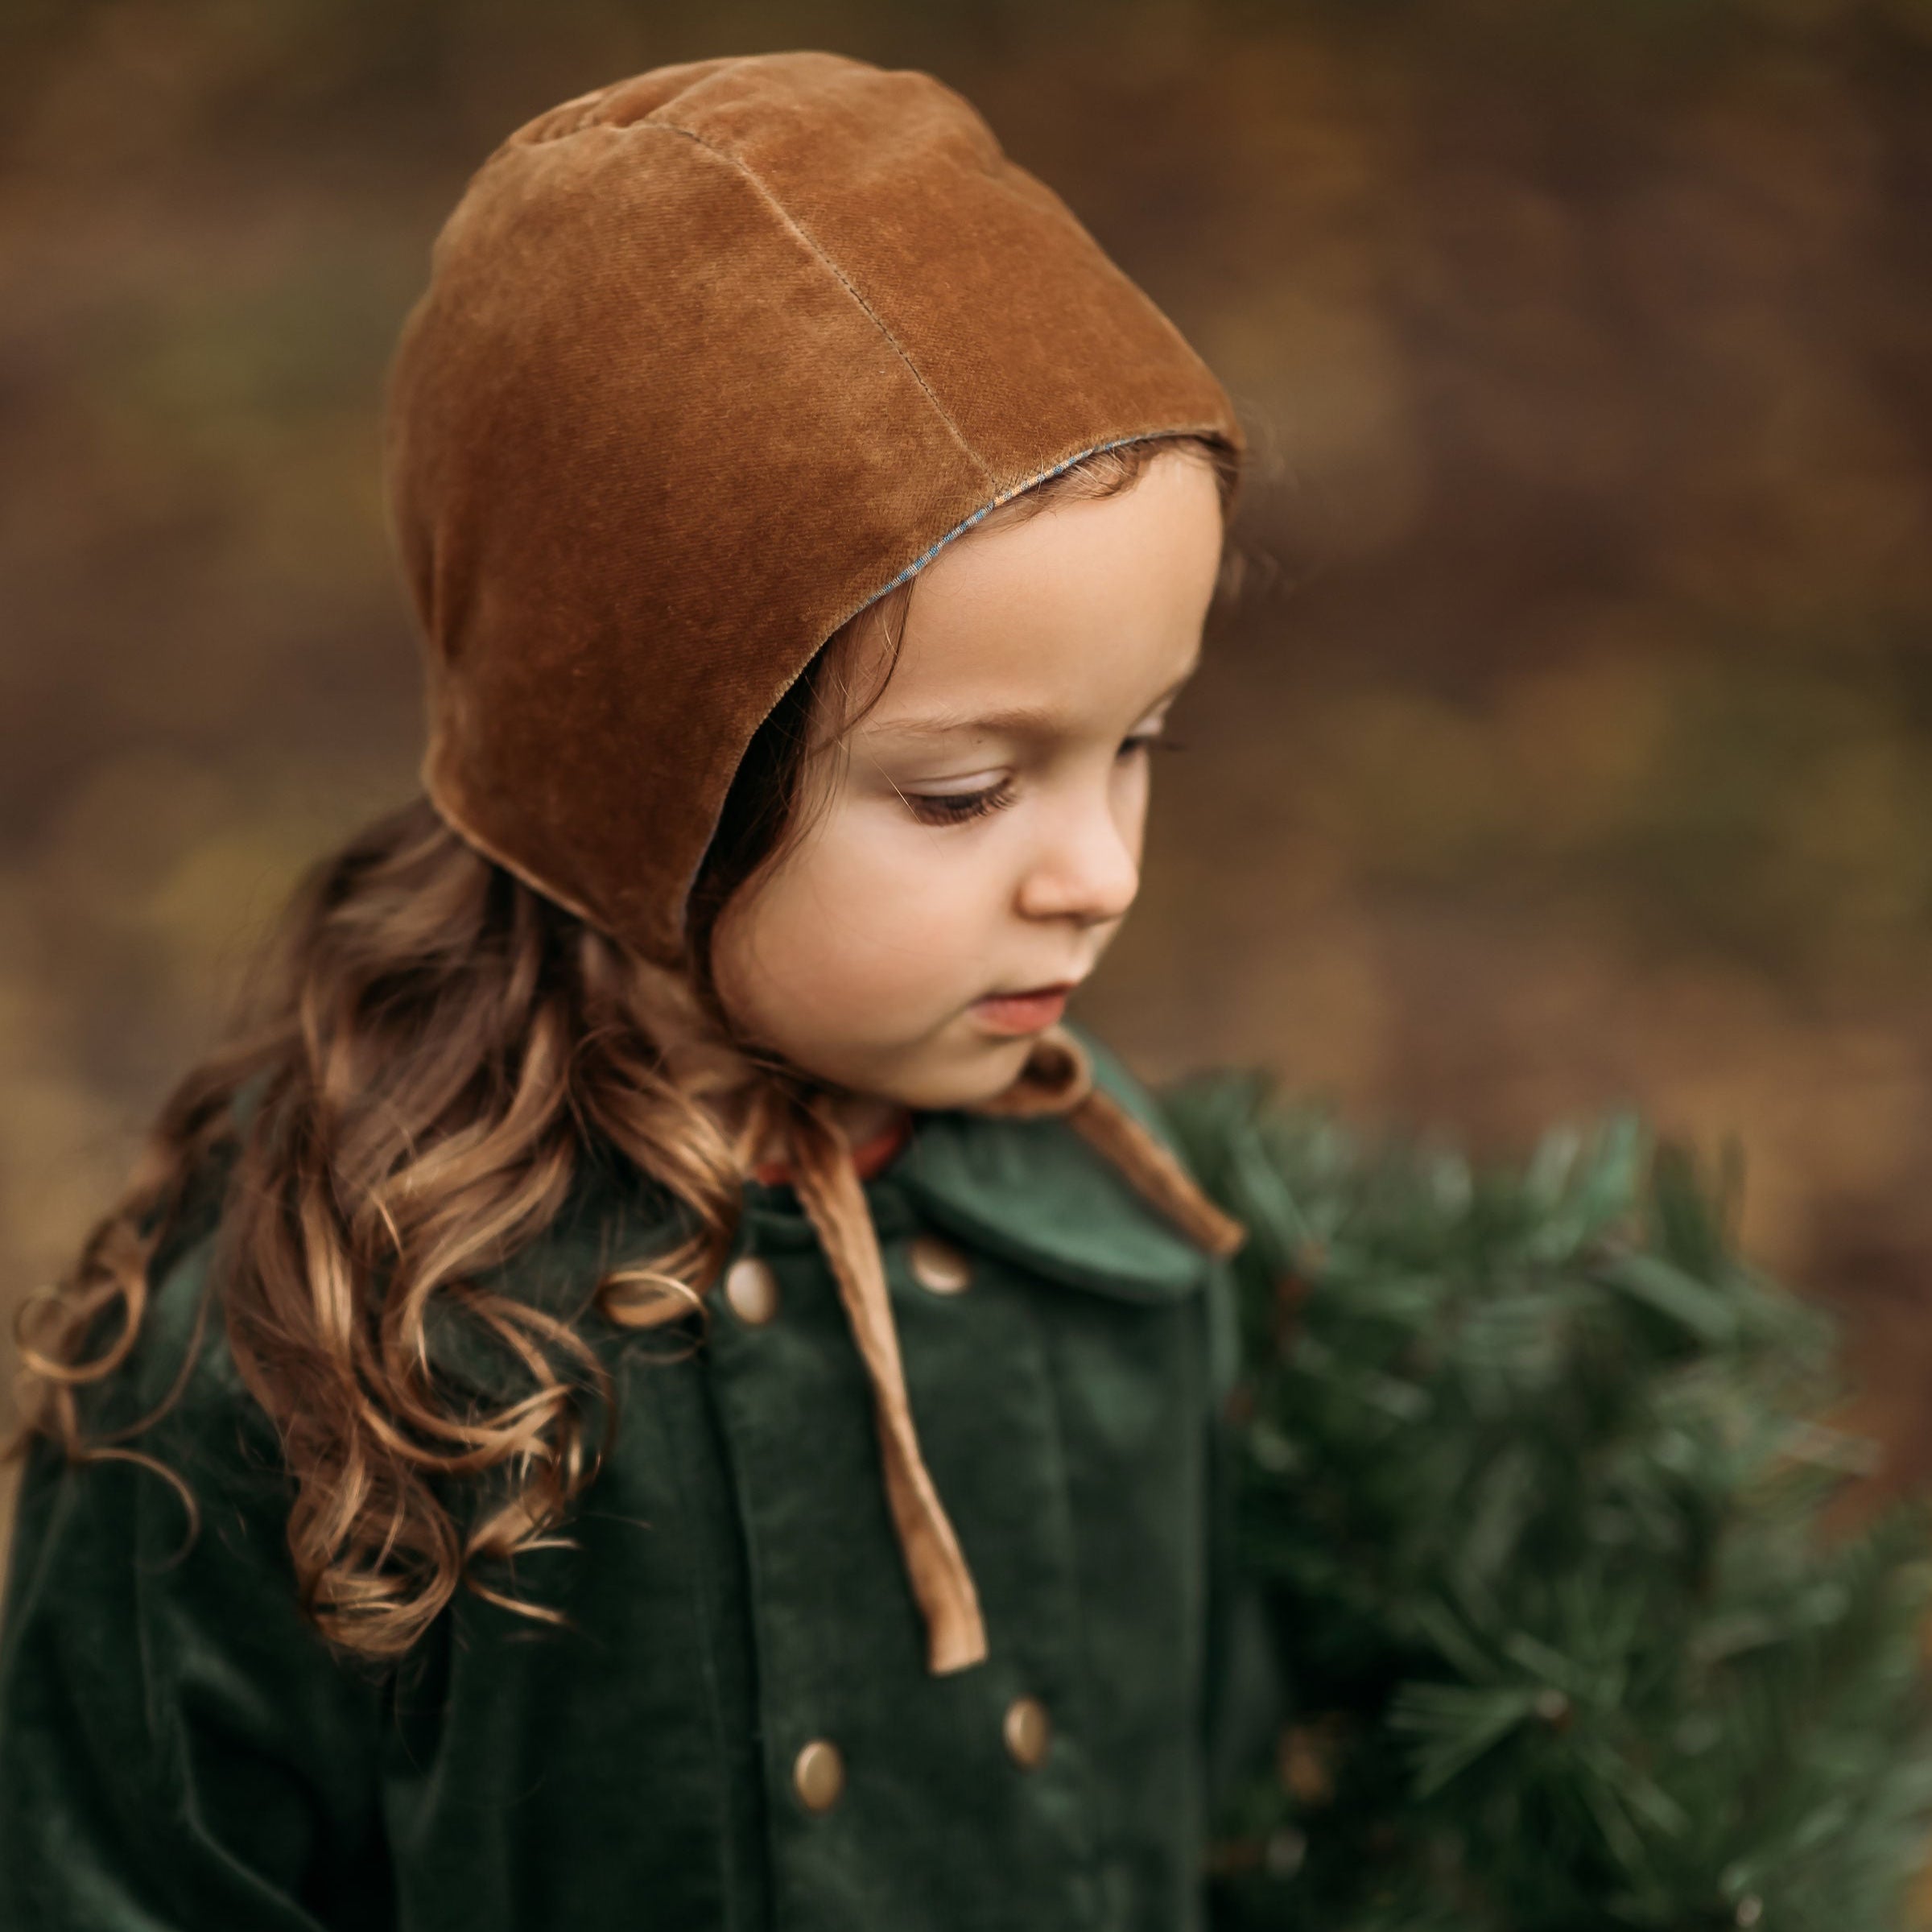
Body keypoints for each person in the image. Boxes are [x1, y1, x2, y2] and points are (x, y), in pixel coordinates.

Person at [0, 50, 1269, 1931]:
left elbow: (1212, 1810)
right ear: (644, 776)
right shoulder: (298, 1352)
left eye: (1139, 741)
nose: (1103, 872)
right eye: (965, 791)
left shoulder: (1103, 1211)